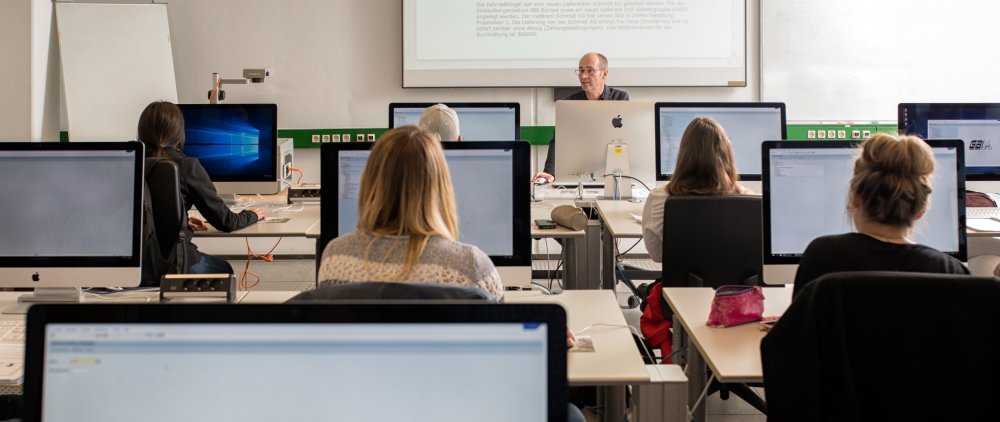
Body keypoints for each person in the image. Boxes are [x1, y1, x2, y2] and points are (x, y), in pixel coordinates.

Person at [317, 125, 504, 300]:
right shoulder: (472, 266)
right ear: (440, 186)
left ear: (370, 182)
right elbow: (501, 331)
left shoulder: (335, 256)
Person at [793, 133, 969, 296]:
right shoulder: (951, 271)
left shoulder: (821, 255)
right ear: (921, 210)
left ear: (855, 198)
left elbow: (799, 328)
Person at [136, 101, 265, 274]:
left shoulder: (131, 164)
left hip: (136, 266)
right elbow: (226, 222)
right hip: (175, 264)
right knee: (224, 269)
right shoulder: (187, 166)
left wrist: (179, 220)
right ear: (179, 132)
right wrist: (253, 214)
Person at [641, 117, 755, 262]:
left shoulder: (659, 198)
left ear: (683, 153)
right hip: (734, 285)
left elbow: (656, 256)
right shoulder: (749, 200)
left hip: (680, 283)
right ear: (727, 153)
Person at [532, 52, 630, 183]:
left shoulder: (620, 99)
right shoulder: (569, 103)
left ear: (604, 73)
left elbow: (627, 140)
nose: (583, 76)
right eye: (581, 70)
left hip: (613, 172)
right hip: (578, 173)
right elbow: (558, 141)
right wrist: (549, 172)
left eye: (590, 70)